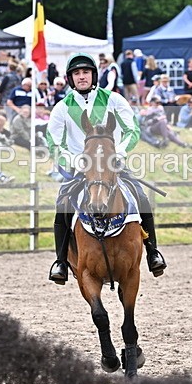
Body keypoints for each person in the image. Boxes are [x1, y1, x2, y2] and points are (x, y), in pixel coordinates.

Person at [45, 53, 166, 284]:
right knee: (62, 203)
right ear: (70, 79)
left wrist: (118, 154)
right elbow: (54, 144)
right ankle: (60, 261)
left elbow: (133, 130)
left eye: (86, 72)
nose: (82, 77)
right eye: (77, 74)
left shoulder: (114, 100)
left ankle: (153, 253)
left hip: (112, 166)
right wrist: (75, 160)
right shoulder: (61, 108)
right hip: (81, 170)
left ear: (94, 75)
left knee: (141, 197)